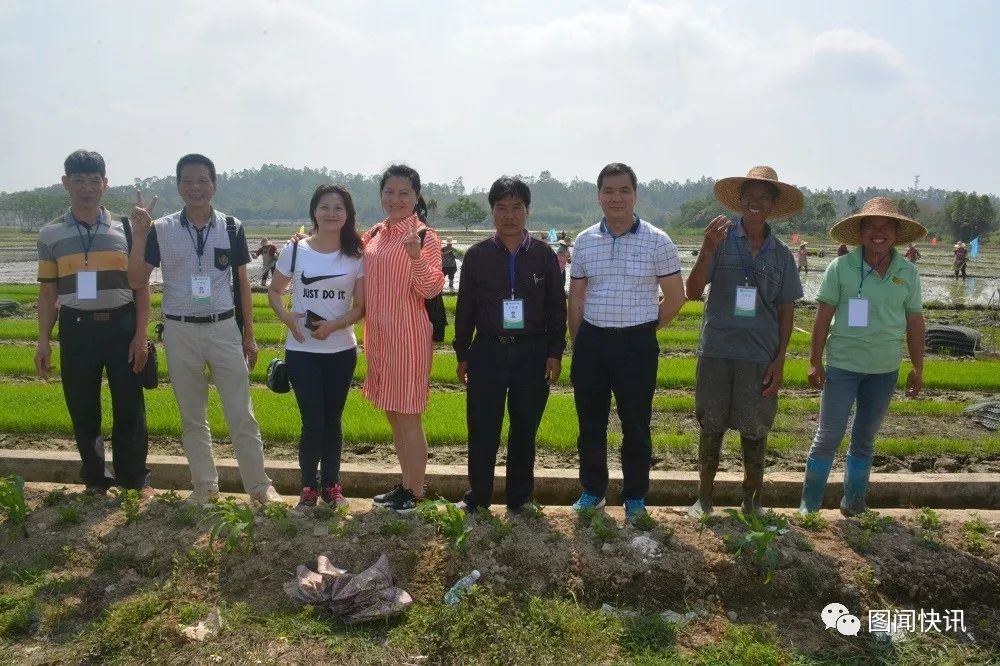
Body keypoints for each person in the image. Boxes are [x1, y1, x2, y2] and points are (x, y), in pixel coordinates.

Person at [128, 154, 280, 505]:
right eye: (187, 181)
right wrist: (138, 234)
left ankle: (259, 486)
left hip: (222, 327)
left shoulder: (231, 226)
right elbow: (137, 280)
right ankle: (205, 486)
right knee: (192, 416)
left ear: (214, 185)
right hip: (180, 331)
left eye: (202, 181)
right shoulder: (161, 229)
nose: (195, 188)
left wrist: (250, 335)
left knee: (241, 412)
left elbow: (242, 282)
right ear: (178, 185)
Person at [568, 162, 685, 522]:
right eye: (608, 191)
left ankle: (635, 496)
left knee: (636, 424)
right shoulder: (585, 241)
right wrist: (578, 343)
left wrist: (645, 329)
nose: (616, 198)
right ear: (598, 195)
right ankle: (592, 491)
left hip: (636, 345)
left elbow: (676, 297)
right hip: (592, 343)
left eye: (624, 191)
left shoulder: (657, 240)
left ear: (635, 195)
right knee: (590, 422)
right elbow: (576, 298)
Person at [685, 166, 804, 517]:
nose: (756, 201)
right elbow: (692, 291)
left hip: (759, 356)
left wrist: (780, 358)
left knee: (755, 429)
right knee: (711, 426)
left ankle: (752, 501)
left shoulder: (781, 254)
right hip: (718, 351)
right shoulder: (719, 241)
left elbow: (786, 310)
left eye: (764, 196)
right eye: (750, 195)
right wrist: (707, 248)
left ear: (772, 205)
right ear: (741, 201)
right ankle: (704, 498)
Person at [798, 197, 926, 516]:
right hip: (843, 366)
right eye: (871, 226)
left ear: (896, 233)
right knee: (828, 436)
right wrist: (815, 361)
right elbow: (823, 316)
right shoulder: (841, 267)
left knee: (865, 440)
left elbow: (914, 321)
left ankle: (854, 504)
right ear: (861, 232)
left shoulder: (907, 272)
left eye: (886, 227)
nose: (879, 233)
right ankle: (809, 506)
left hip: (884, 370)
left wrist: (918, 367)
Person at [35, 150, 152, 497]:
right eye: (79, 181)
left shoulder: (127, 227)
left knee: (130, 404)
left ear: (105, 184)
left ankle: (134, 480)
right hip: (77, 327)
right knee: (83, 404)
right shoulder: (50, 233)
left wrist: (140, 336)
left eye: (93, 181)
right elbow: (47, 292)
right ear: (65, 183)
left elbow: (141, 287)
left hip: (122, 325)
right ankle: (96, 480)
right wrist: (43, 339)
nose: (86, 188)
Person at [453, 177, 566, 514]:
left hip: (532, 352)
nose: (509, 215)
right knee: (483, 427)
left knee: (524, 428)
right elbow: (465, 309)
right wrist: (462, 354)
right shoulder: (477, 256)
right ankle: (478, 497)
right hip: (487, 350)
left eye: (517, 207)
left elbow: (556, 308)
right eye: (501, 207)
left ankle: (520, 498)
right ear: (492, 212)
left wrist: (554, 352)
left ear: (527, 211)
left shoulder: (545, 256)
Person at [268, 185, 365, 509]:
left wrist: (335, 325)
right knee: (312, 420)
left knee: (333, 420)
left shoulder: (355, 254)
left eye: (339, 208)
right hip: (302, 351)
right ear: (314, 212)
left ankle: (332, 485)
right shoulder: (295, 251)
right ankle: (308, 486)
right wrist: (288, 318)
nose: (331, 213)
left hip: (340, 350)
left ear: (347, 214)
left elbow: (359, 307)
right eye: (325, 207)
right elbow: (275, 292)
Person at [364, 165, 446, 513]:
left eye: (404, 193)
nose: (395, 199)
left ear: (416, 197)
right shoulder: (374, 234)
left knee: (409, 415)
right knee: (393, 414)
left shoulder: (425, 236)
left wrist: (414, 255)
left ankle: (414, 492)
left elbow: (430, 287)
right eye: (389, 192)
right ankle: (405, 484)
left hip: (408, 336)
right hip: (378, 337)